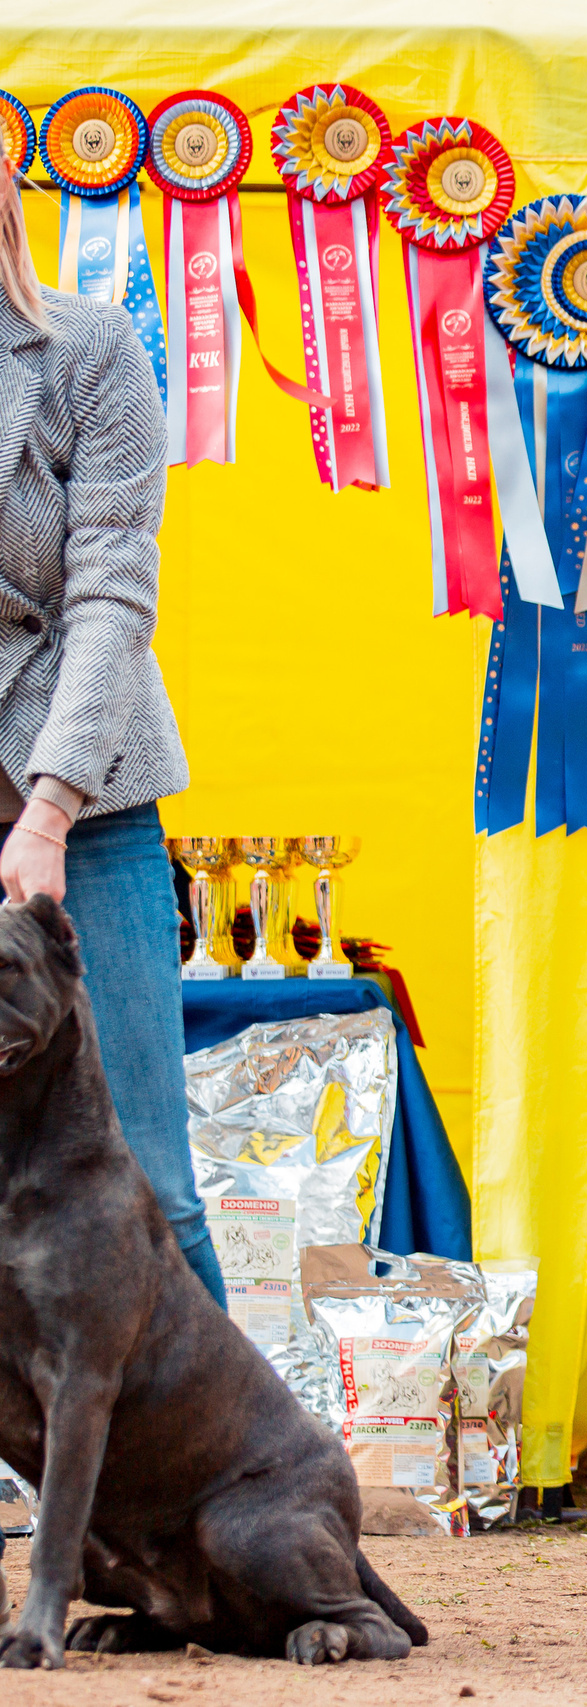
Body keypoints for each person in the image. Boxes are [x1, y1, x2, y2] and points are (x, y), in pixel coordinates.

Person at [0, 168, 220, 1304]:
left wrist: (49, 807)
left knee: (144, 1175)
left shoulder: (91, 350)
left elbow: (110, 596)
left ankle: (242, 1474)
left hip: (85, 806)